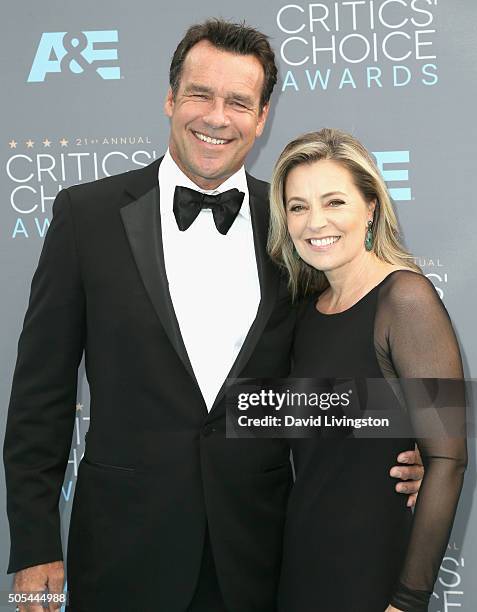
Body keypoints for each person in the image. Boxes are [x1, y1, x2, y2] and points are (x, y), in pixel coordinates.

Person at [3, 21, 422, 612]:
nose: (216, 117)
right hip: (124, 551)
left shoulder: (295, 230)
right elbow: (38, 395)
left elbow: (329, 374)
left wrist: (421, 442)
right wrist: (33, 543)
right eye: (200, 94)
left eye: (238, 102)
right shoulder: (86, 217)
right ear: (170, 98)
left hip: (261, 553)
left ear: (262, 115)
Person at [268, 128, 468, 612]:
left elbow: (449, 457)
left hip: (374, 575)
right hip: (303, 565)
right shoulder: (302, 313)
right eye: (298, 206)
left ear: (371, 208)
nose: (315, 222)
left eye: (334, 201)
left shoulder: (406, 298)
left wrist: (408, 599)